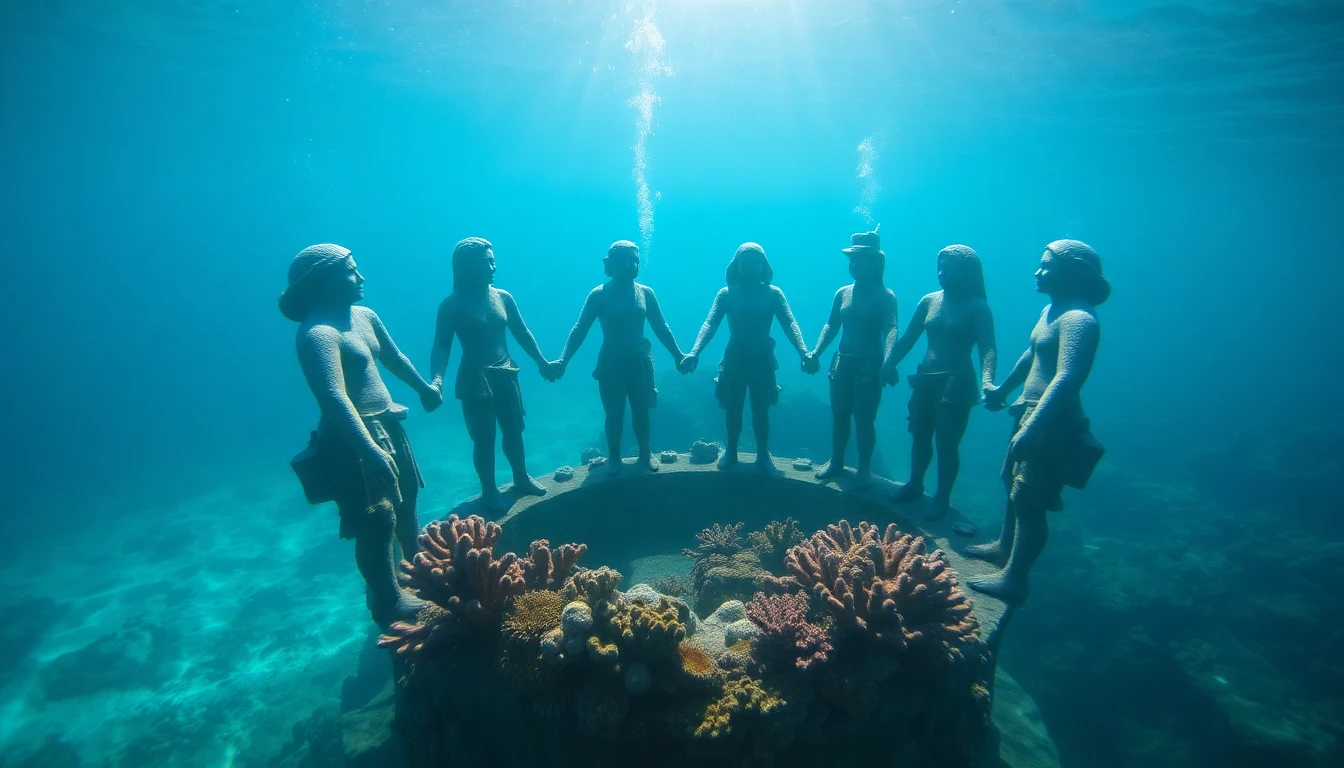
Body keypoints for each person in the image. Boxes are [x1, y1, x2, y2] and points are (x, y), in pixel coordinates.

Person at [281, 244, 441, 626]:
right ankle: (388, 599)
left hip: (388, 426)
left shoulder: (364, 316)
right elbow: (333, 397)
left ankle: (415, 571)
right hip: (351, 440)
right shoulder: (317, 335)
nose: (361, 277)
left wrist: (423, 388)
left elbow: (394, 358)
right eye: (351, 271)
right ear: (323, 281)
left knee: (407, 502)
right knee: (376, 519)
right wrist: (368, 449)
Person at [966, 239, 1109, 604]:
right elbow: (1031, 355)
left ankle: (1015, 579)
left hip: (1052, 420)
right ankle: (1004, 547)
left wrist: (1034, 427)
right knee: (1009, 479)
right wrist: (1003, 389)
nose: (1037, 272)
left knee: (1029, 497)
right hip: (1031, 412)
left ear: (1072, 273)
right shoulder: (1051, 310)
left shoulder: (1079, 319)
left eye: (1047, 266)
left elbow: (1067, 377)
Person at [429, 237, 559, 512]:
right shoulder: (452, 305)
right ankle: (488, 490)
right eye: (485, 262)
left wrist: (541, 362)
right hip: (475, 379)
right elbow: (441, 346)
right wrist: (437, 381)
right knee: (484, 438)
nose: (493, 267)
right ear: (466, 267)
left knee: (514, 431)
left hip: (506, 373)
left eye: (493, 261)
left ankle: (521, 477)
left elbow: (522, 333)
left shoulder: (502, 297)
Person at [884, 245, 997, 520]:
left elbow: (988, 348)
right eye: (940, 267)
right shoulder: (929, 301)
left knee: (947, 443)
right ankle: (915, 483)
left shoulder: (978, 308)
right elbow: (908, 338)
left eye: (949, 269)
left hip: (956, 383)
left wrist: (988, 381)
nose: (942, 273)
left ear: (967, 272)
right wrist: (889, 363)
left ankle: (942, 497)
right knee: (919, 435)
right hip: (925, 379)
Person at [554, 240, 687, 473]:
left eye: (633, 260)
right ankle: (614, 457)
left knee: (641, 411)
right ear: (610, 264)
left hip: (639, 362)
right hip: (611, 362)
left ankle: (645, 453)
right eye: (622, 261)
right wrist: (564, 359)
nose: (629, 265)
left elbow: (661, 326)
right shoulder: (599, 295)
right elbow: (580, 328)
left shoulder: (645, 293)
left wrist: (678, 355)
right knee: (614, 413)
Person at [680, 243, 810, 471]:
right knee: (733, 408)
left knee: (761, 409)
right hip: (735, 358)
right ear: (736, 265)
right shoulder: (727, 294)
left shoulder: (773, 294)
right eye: (745, 262)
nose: (749, 267)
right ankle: (731, 451)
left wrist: (803, 351)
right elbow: (710, 324)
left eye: (755, 262)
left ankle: (763, 453)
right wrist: (695, 351)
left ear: (764, 265)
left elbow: (790, 323)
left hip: (762, 359)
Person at [808, 227, 899, 489]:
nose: (854, 265)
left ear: (876, 262)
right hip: (842, 362)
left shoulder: (885, 296)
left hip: (869, 365)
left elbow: (891, 329)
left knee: (864, 419)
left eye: (860, 259)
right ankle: (836, 461)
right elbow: (831, 325)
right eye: (851, 260)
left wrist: (889, 362)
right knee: (839, 414)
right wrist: (816, 352)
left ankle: (864, 469)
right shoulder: (843, 293)